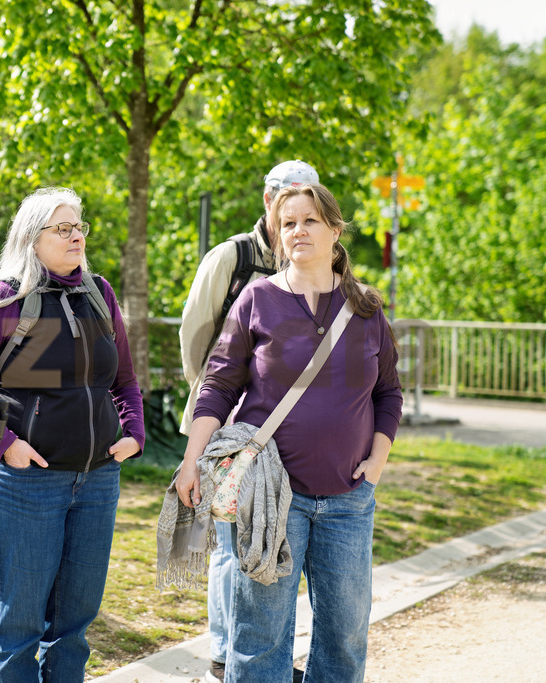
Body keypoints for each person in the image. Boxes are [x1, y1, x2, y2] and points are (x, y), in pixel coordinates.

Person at [175, 184, 402, 682]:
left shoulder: (366, 309)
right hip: (270, 497)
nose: (297, 230)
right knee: (261, 635)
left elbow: (389, 393)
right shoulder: (258, 299)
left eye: (310, 221)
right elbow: (216, 385)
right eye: (288, 222)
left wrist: (378, 460)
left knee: (345, 635)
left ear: (336, 231)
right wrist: (192, 458)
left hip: (349, 499)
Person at [0, 187, 145, 682]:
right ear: (32, 239)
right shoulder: (5, 299)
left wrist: (134, 430)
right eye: (63, 228)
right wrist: (5, 445)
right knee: (20, 630)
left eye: (79, 226)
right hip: (27, 483)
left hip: (97, 482)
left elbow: (125, 380)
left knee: (75, 628)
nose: (76, 235)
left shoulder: (99, 291)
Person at [178, 159, 320, 683]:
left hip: (282, 429)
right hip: (229, 423)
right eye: (288, 202)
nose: (297, 218)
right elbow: (195, 335)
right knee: (229, 537)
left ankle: (261, 652)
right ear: (269, 202)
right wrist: (217, 409)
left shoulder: (313, 260)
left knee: (269, 532)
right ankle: (226, 649)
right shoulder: (232, 257)